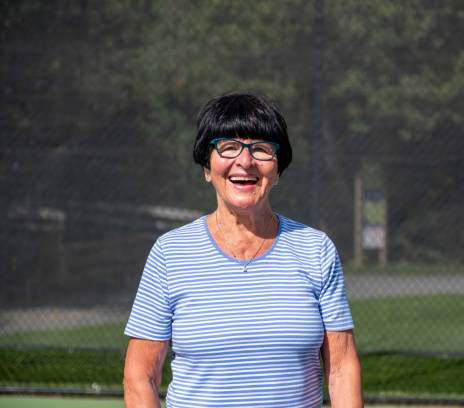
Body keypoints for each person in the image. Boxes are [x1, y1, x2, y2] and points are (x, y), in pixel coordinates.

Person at [123, 93, 362, 407]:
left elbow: (341, 370)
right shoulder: (170, 253)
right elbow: (141, 375)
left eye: (261, 149)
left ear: (277, 170)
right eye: (228, 147)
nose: (245, 161)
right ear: (207, 166)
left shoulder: (316, 250)